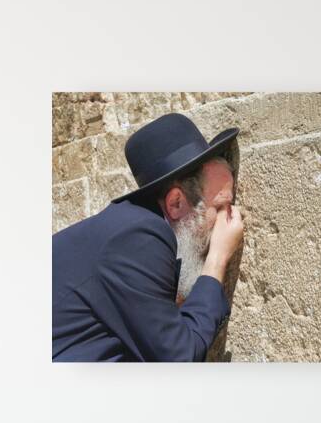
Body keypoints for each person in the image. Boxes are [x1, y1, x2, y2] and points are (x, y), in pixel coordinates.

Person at [51, 113, 246, 362]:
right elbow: (179, 358)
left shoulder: (129, 226)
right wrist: (217, 259)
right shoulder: (139, 238)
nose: (228, 218)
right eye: (220, 207)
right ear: (176, 203)